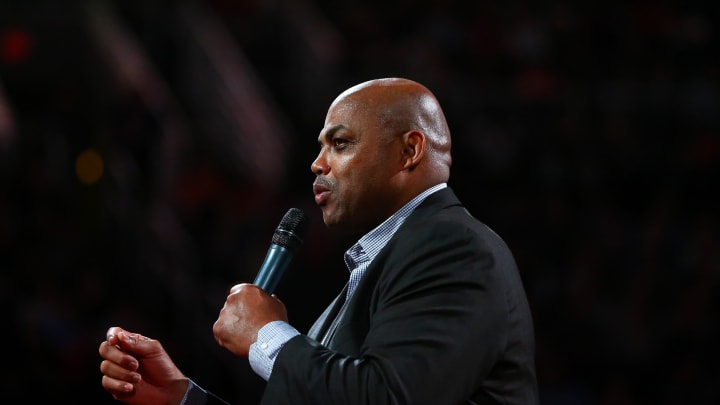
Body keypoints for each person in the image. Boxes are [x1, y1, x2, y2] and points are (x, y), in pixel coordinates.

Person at [98, 77, 539, 404]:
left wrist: (265, 335)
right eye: (319, 147)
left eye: (341, 144)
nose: (317, 164)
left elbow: (386, 399)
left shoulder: (455, 248)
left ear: (409, 151)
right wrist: (180, 397)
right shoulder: (381, 267)